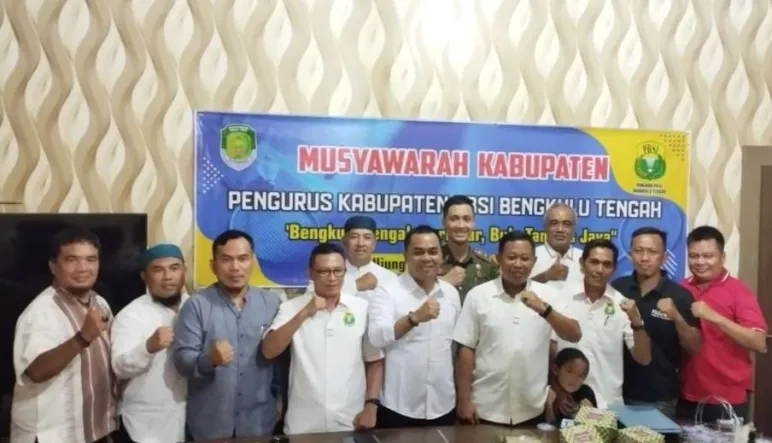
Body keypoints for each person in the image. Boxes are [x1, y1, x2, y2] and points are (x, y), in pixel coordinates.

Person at [453, 231, 581, 427]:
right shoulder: (478, 296)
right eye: (511, 257)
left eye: (525, 258)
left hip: (532, 408)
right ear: (498, 259)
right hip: (484, 408)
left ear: (534, 261)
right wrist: (464, 400)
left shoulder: (549, 295)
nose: (518, 264)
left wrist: (545, 310)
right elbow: (466, 349)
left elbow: (574, 334)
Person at [262, 242, 384, 434]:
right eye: (324, 271)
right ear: (310, 273)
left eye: (338, 271)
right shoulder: (291, 308)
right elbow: (269, 350)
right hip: (302, 423)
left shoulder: (361, 308)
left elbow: (374, 360)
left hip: (350, 419)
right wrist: (304, 313)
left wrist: (371, 405)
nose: (332, 278)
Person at [173, 230, 283, 440]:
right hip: (210, 423)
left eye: (243, 259)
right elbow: (181, 361)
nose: (235, 267)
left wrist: (279, 396)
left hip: (259, 421)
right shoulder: (197, 305)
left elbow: (279, 360)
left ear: (253, 261)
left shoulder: (271, 303)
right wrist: (209, 360)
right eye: (226, 260)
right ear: (213, 266)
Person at [11, 228, 118, 443]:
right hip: (52, 434)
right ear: (53, 266)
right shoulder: (40, 312)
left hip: (94, 429)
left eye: (91, 259)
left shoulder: (100, 303)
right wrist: (83, 337)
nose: (83, 268)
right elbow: (36, 371)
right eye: (72, 259)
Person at [368, 225, 461, 427]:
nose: (427, 258)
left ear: (442, 256)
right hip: (399, 406)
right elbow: (376, 337)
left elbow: (455, 347)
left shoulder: (451, 294)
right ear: (406, 256)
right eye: (418, 252)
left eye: (433, 252)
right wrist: (413, 319)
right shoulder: (387, 292)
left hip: (443, 404)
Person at [677, 226, 768, 423]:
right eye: (694, 256)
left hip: (727, 398)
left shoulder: (738, 291)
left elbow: (759, 342)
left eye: (708, 256)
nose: (700, 262)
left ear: (723, 257)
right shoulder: (681, 288)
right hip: (685, 394)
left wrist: (715, 317)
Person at [611, 227, 701, 418]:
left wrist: (676, 316)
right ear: (630, 255)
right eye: (639, 251)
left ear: (664, 257)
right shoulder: (617, 289)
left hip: (657, 397)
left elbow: (695, 347)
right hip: (614, 392)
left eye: (652, 252)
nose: (645, 258)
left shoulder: (680, 296)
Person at [552, 239, 652, 407]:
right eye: (594, 262)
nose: (600, 270)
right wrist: (556, 391)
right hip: (564, 400)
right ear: (582, 263)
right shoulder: (560, 297)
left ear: (614, 269)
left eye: (607, 264)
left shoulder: (621, 304)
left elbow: (644, 359)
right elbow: (550, 351)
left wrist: (637, 323)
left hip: (607, 404)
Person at [111, 244, 189, 443]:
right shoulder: (131, 315)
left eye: (174, 268)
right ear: (144, 277)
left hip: (189, 420)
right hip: (143, 425)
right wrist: (148, 347)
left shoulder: (196, 308)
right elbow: (119, 367)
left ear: (184, 271)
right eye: (158, 270)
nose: (167, 276)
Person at [307, 216, 396, 299]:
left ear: (374, 243)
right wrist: (356, 285)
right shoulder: (326, 273)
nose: (360, 243)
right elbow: (310, 299)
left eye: (367, 237)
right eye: (354, 237)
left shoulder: (389, 278)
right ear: (344, 241)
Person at [439, 195, 498, 303]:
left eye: (466, 219)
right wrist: (442, 283)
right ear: (443, 222)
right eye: (454, 219)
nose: (461, 225)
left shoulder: (487, 265)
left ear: (473, 223)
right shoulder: (431, 262)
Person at [531, 203, 583, 290]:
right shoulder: (531, 256)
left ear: (574, 229)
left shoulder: (584, 258)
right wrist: (545, 277)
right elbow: (516, 290)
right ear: (545, 227)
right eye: (554, 223)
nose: (560, 229)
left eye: (566, 224)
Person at [545, 348, 597, 425]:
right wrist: (549, 406)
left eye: (580, 375)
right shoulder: (550, 393)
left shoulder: (586, 393)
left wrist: (591, 412)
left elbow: (596, 425)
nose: (574, 379)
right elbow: (547, 427)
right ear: (556, 369)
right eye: (569, 371)